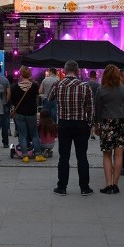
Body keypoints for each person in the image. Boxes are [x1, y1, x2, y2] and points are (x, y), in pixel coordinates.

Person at [49, 60, 94, 196]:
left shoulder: (58, 84)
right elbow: (90, 108)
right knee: (82, 156)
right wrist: (89, 124)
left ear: (64, 70)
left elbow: (50, 98)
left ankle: (62, 187)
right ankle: (84, 187)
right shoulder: (85, 86)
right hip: (81, 124)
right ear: (77, 70)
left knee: (64, 156)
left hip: (64, 124)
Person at [94, 65, 124, 194]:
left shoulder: (101, 90)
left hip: (107, 123)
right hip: (121, 122)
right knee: (119, 154)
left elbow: (97, 110)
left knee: (107, 154)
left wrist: (96, 125)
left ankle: (108, 183)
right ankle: (115, 184)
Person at [10, 66, 44, 162]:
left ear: (20, 74)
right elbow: (36, 98)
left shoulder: (14, 87)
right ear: (29, 74)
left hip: (19, 114)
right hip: (31, 113)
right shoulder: (34, 86)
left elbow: (12, 101)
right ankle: (38, 155)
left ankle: (24, 156)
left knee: (22, 135)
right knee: (34, 134)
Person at [0, 63, 11, 147]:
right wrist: (6, 101)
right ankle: (5, 142)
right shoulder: (5, 80)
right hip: (4, 104)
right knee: (4, 124)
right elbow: (8, 93)